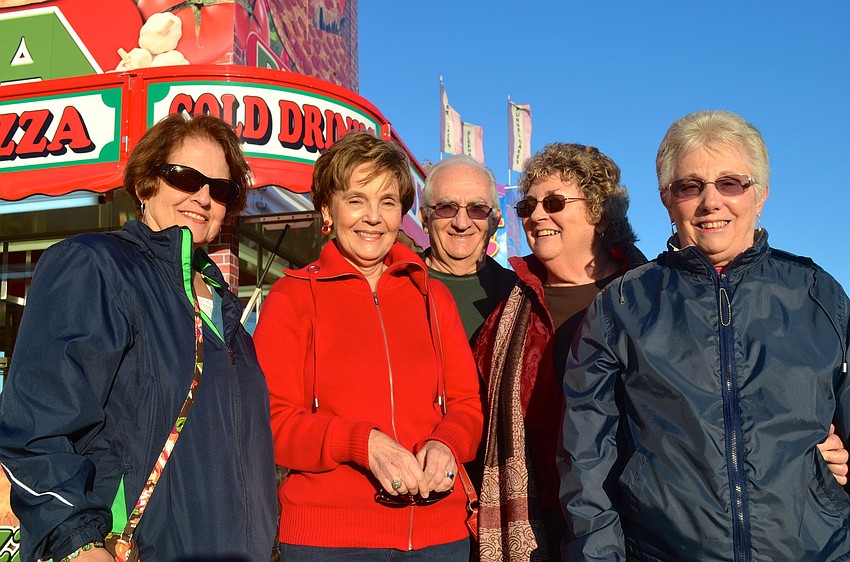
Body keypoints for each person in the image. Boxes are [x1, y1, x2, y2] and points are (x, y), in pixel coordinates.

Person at [560, 109, 850, 561]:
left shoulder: (818, 294)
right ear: (667, 200)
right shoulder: (623, 305)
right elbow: (586, 461)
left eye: (731, 183)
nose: (711, 201)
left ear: (761, 194)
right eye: (690, 186)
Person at [0, 113, 277, 561]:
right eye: (185, 177)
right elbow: (34, 429)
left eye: (220, 188)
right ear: (147, 184)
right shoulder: (96, 266)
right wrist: (79, 545)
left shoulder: (229, 316)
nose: (203, 197)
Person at [253, 131, 483, 561]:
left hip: (439, 537)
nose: (373, 217)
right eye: (356, 200)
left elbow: (467, 405)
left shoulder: (434, 297)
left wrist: (447, 444)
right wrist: (362, 443)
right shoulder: (292, 297)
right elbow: (271, 421)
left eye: (388, 202)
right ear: (328, 209)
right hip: (330, 543)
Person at [473, 143, 648, 562]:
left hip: (639, 523)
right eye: (528, 205)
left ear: (599, 211)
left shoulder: (651, 296)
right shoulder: (506, 313)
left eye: (553, 202)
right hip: (538, 527)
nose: (536, 215)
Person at [419, 155, 518, 343]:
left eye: (477, 209)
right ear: (425, 218)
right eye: (446, 207)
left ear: (494, 222)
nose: (462, 223)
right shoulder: (392, 284)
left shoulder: (520, 298)